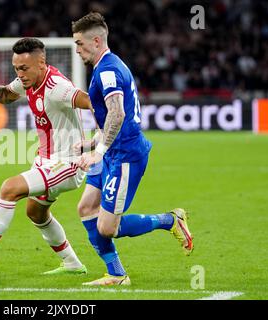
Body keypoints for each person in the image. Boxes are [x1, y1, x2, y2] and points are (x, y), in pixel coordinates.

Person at [71, 12, 194, 286]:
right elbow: (110, 118)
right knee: (85, 207)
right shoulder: (105, 66)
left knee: (107, 227)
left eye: (79, 43)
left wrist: (97, 152)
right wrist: (92, 142)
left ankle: (169, 220)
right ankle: (116, 274)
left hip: (125, 154)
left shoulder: (108, 70)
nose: (76, 49)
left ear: (95, 40)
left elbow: (118, 114)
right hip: (112, 150)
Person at [0, 38, 92, 275]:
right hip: (46, 160)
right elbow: (4, 95)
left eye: (24, 68)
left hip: (69, 162)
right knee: (35, 213)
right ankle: (73, 264)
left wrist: (101, 140)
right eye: (16, 69)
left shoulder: (57, 87)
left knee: (9, 188)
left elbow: (92, 101)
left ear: (41, 63)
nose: (19, 74)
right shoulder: (29, 81)